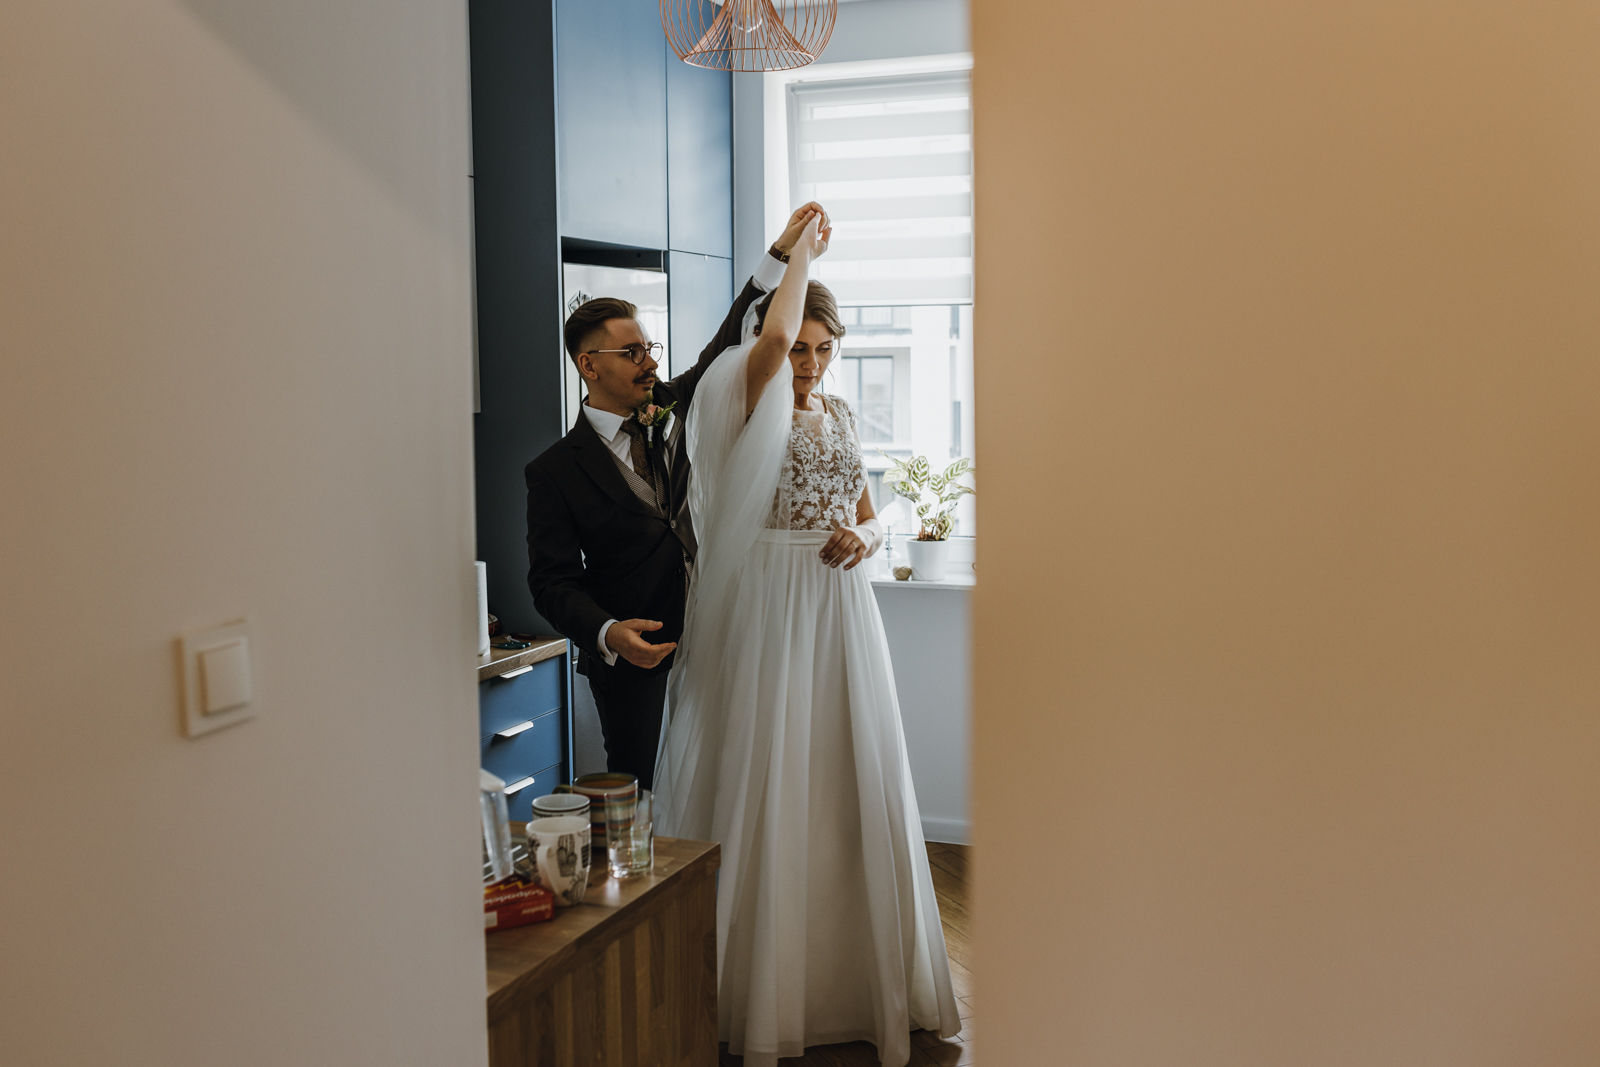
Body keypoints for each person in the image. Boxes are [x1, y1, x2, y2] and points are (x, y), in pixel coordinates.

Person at [653, 212, 961, 1066]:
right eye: (801, 348)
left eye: (826, 350)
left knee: (850, 769)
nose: (810, 363)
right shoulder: (745, 395)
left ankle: (863, 982)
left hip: (842, 609)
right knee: (774, 768)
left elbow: (871, 511)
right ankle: (767, 989)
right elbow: (774, 331)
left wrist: (872, 534)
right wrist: (799, 252)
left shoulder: (840, 411)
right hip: (775, 604)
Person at [525, 204, 829, 790]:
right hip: (636, 655)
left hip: (721, 629)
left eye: (649, 347)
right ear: (588, 365)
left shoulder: (674, 401)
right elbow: (551, 582)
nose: (650, 363)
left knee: (722, 781)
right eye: (632, 353)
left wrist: (781, 253)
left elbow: (729, 336)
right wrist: (609, 632)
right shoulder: (554, 472)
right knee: (640, 787)